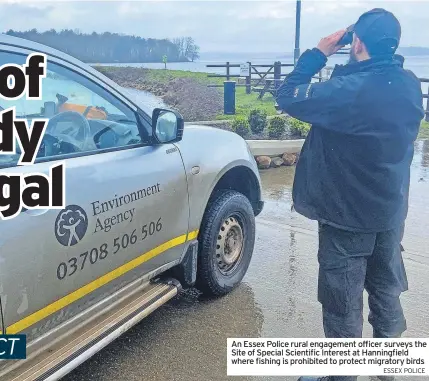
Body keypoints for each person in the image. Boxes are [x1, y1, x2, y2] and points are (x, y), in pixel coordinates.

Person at [275, 8, 425, 381]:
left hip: (346, 216)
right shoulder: (406, 83)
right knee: (386, 289)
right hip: (390, 212)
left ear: (356, 42)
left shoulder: (348, 92)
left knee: (341, 301)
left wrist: (319, 52)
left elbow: (288, 95)